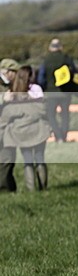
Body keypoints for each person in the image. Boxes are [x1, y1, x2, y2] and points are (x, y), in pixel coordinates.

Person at [0, 65, 50, 190]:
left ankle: (31, 189)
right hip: (38, 129)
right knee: (40, 158)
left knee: (27, 160)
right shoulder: (36, 90)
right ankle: (43, 188)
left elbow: (6, 116)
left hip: (21, 132)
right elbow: (43, 110)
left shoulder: (12, 94)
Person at [37, 38, 75, 142]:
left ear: (50, 48)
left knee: (51, 115)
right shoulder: (67, 59)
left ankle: (58, 136)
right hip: (65, 92)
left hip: (51, 93)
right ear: (61, 47)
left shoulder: (46, 60)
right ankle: (64, 136)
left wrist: (44, 88)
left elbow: (41, 78)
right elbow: (74, 74)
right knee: (65, 115)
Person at [0, 58, 20, 192]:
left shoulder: (8, 84)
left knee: (9, 158)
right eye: (15, 72)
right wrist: (3, 99)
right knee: (6, 158)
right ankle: (5, 189)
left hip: (7, 127)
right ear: (7, 71)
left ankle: (9, 188)